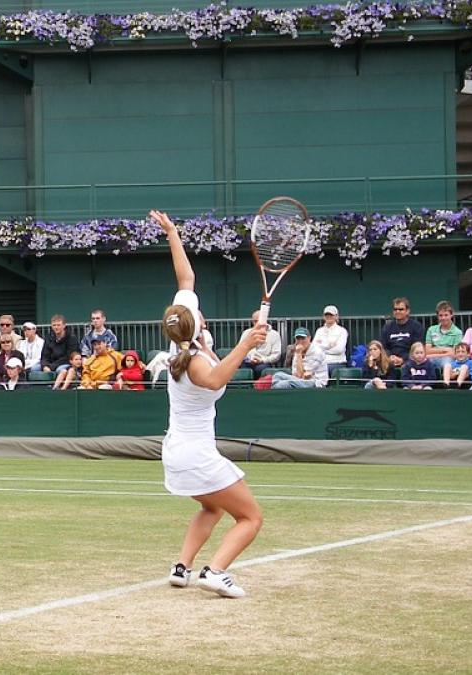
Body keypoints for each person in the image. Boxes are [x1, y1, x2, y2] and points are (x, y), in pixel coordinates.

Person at [154, 209, 267, 599]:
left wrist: (172, 233)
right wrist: (246, 343)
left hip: (177, 453)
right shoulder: (198, 364)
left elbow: (186, 278)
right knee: (251, 517)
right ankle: (215, 572)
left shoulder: (181, 334)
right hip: (195, 455)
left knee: (211, 508)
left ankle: (181, 568)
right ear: (197, 323)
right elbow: (218, 378)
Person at [378, 297, 423, 368]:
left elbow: (417, 347)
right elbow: (382, 347)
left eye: (401, 309)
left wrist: (403, 359)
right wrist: (390, 357)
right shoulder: (387, 327)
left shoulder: (416, 326)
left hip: (410, 360)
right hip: (390, 360)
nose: (397, 311)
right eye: (395, 309)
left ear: (407, 311)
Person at [239, 311, 282, 378]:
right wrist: (249, 359)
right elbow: (240, 350)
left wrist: (262, 360)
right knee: (240, 370)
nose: (257, 324)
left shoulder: (274, 334)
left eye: (259, 321)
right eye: (254, 321)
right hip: (247, 362)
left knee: (260, 369)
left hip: (264, 362)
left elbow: (276, 355)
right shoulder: (246, 333)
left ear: (265, 320)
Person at [423, 300, 462, 370]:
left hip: (448, 359)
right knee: (424, 363)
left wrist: (435, 350)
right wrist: (446, 349)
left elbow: (454, 353)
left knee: (447, 363)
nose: (443, 318)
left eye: (446, 315)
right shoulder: (431, 330)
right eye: (440, 315)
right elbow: (427, 350)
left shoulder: (458, 332)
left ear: (451, 314)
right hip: (433, 358)